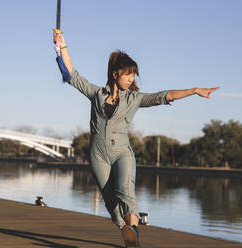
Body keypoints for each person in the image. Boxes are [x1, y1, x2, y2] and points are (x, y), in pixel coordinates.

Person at [53, 31, 219, 248]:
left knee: (125, 190)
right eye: (128, 74)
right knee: (110, 198)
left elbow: (164, 96)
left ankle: (134, 231)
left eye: (134, 74)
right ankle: (124, 229)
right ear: (115, 74)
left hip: (122, 151)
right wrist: (62, 46)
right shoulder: (96, 94)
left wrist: (194, 90)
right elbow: (73, 75)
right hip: (98, 152)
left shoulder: (134, 99)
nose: (132, 78)